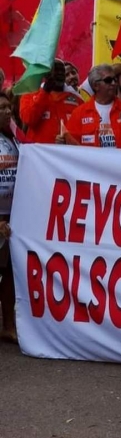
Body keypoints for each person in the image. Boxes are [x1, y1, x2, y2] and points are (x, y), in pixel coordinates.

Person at [64, 64, 121, 149]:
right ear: (96, 86)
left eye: (115, 80)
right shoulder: (79, 113)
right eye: (108, 80)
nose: (113, 83)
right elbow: (71, 147)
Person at [19, 59, 83, 144]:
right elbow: (29, 119)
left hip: (66, 154)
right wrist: (44, 93)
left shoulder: (77, 99)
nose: (60, 73)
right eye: (56, 70)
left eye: (62, 71)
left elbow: (83, 130)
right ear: (46, 74)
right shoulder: (30, 95)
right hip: (40, 154)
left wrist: (69, 139)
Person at [0, 91, 18, 343]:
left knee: (9, 272)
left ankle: (8, 325)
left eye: (9, 107)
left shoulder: (14, 139)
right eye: (2, 108)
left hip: (11, 215)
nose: (7, 111)